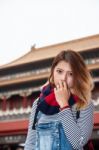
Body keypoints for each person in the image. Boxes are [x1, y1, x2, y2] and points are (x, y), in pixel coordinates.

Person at [24, 50, 94, 150]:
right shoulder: (38, 103)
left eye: (70, 74)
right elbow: (30, 145)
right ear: (53, 71)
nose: (63, 78)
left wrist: (64, 105)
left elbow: (79, 143)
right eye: (59, 71)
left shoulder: (84, 104)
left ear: (78, 76)